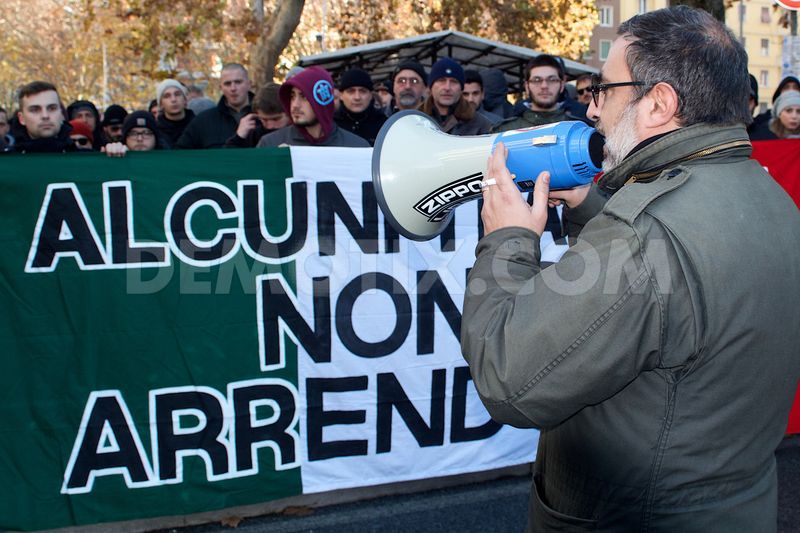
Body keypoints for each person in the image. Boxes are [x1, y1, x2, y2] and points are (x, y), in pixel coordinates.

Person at [461, 6, 800, 531]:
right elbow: (685, 288)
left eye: (604, 89)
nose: (593, 109)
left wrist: (506, 240)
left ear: (659, 104)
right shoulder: (771, 197)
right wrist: (595, 210)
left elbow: (506, 377)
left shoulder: (642, 238)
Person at [257, 66, 369, 148]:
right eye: (292, 96)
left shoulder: (356, 147)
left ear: (322, 100)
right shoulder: (270, 144)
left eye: (304, 96)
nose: (295, 105)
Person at [495, 54, 590, 132]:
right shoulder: (504, 131)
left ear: (561, 86)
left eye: (552, 80)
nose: (544, 86)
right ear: (527, 86)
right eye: (537, 80)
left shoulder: (580, 130)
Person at [176, 63, 253, 149]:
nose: (233, 88)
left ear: (249, 84)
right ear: (221, 88)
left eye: (238, 82)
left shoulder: (265, 116)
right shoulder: (203, 121)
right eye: (227, 84)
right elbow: (180, 154)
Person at [420, 57, 492, 136]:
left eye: (453, 81)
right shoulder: (415, 119)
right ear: (431, 87)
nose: (447, 87)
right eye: (441, 80)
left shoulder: (480, 124)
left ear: (461, 88)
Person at [7, 81, 77, 153]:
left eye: (52, 108)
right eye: (35, 110)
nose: (45, 116)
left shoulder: (82, 160)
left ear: (61, 114)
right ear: (22, 118)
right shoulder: (6, 162)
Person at [333, 67, 387, 145]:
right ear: (341, 95)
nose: (357, 97)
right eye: (351, 91)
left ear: (371, 95)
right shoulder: (332, 125)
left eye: (363, 91)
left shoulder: (384, 124)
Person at [225, 83, 289, 147]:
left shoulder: (297, 132)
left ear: (289, 113)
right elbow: (226, 156)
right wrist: (239, 137)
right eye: (264, 120)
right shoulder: (254, 134)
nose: (270, 126)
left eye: (276, 119)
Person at [155, 79, 195, 148]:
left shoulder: (198, 126)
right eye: (167, 96)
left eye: (177, 94)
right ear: (161, 104)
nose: (173, 99)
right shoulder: (156, 132)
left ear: (185, 100)